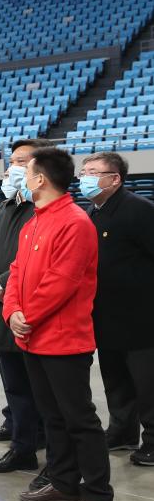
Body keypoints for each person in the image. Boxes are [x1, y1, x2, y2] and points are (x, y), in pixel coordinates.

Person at [4, 147, 114, 501]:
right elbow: (16, 271)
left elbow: (62, 282)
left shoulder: (74, 222)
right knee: (52, 417)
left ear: (40, 179)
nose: (20, 176)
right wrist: (11, 311)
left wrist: (27, 316)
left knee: (79, 419)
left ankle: (98, 495)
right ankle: (64, 481)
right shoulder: (33, 222)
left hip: (64, 340)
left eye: (26, 171)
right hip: (32, 338)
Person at [0, 139, 49, 477]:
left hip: (26, 307)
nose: (12, 168)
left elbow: (34, 258)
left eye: (20, 162)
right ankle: (22, 439)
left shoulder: (41, 210)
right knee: (15, 383)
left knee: (35, 385)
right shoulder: (4, 207)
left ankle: (28, 442)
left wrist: (3, 282)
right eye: (12, 161)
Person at [80, 152, 154, 467]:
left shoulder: (139, 210)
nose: (85, 177)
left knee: (147, 384)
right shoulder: (91, 212)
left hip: (140, 315)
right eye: (84, 171)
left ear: (115, 179)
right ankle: (122, 431)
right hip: (105, 314)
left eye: (93, 172)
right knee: (115, 379)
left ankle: (152, 440)